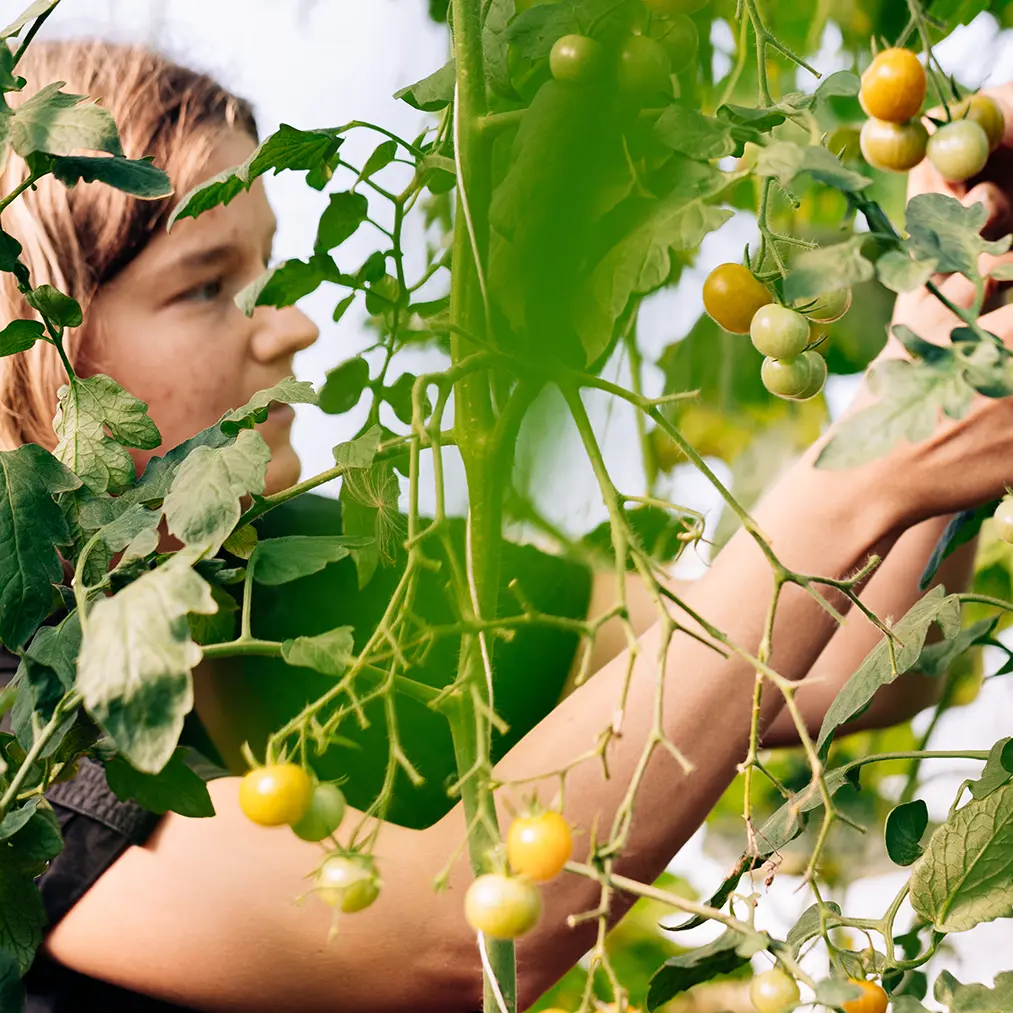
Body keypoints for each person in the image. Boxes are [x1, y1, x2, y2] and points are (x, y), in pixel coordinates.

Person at [1, 36, 1012, 1013]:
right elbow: (448, 934)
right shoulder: (20, 713)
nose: (295, 323)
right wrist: (860, 482)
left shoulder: (303, 568)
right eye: (207, 283)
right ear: (41, 331)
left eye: (264, 274)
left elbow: (848, 667)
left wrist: (938, 361)